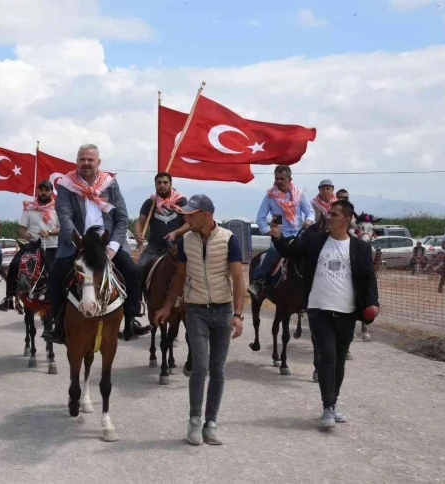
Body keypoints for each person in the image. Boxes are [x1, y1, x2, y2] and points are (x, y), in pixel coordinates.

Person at [268, 198, 379, 428]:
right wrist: (277, 236)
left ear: (347, 220)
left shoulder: (360, 248)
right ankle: (327, 406)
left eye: (334, 214)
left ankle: (333, 404)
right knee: (327, 357)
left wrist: (372, 303)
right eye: (329, 213)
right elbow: (289, 251)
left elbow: (369, 277)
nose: (329, 217)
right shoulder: (314, 240)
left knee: (339, 361)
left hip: (347, 313)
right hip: (319, 310)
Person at [154, 194, 244, 445]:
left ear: (206, 215)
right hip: (195, 311)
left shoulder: (229, 240)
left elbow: (238, 279)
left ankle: (211, 422)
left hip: (223, 310)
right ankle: (195, 419)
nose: (187, 220)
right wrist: (167, 306)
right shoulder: (185, 241)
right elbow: (180, 277)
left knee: (217, 369)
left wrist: (238, 315)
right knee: (201, 366)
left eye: (191, 215)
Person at [41, 143, 151, 344]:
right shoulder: (65, 185)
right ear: (76, 161)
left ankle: (131, 319)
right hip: (77, 243)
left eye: (90, 159)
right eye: (82, 159)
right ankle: (57, 324)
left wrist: (112, 247)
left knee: (131, 271)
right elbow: (64, 217)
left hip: (107, 243)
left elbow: (122, 218)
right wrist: (79, 242)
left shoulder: (110, 184)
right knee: (56, 275)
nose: (86, 163)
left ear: (98, 162)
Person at [248, 165, 315, 297]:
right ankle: (259, 281)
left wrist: (308, 220)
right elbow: (260, 218)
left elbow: (310, 212)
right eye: (276, 178)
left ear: (290, 180)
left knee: (311, 253)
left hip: (298, 234)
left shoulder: (299, 195)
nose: (278, 181)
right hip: (280, 236)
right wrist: (271, 232)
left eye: (282, 179)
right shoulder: (270, 197)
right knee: (273, 251)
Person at [134, 172, 190, 282]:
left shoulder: (181, 201)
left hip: (177, 245)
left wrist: (175, 233)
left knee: (191, 269)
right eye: (159, 183)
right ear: (155, 185)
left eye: (165, 182)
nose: (162, 185)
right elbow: (139, 222)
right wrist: (137, 235)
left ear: (171, 184)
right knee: (139, 268)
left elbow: (189, 223)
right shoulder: (150, 203)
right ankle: (138, 293)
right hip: (154, 246)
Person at [19, 180, 59, 261]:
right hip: (33, 246)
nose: (43, 192)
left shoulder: (58, 208)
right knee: (15, 264)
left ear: (51, 192)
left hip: (53, 247)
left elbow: (62, 228)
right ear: (37, 191)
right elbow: (21, 229)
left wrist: (49, 232)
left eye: (47, 190)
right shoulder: (29, 208)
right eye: (41, 190)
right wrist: (24, 234)